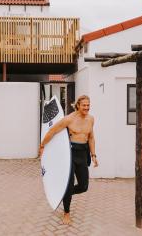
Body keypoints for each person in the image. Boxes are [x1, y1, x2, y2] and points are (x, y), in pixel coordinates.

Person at [39, 95, 99, 225]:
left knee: (83, 186)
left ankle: (63, 192)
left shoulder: (91, 119)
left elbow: (91, 137)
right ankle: (66, 212)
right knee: (70, 182)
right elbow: (52, 131)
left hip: (83, 153)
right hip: (70, 154)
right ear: (78, 105)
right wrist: (43, 145)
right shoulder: (69, 119)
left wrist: (93, 155)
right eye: (84, 105)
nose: (87, 108)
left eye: (88, 105)